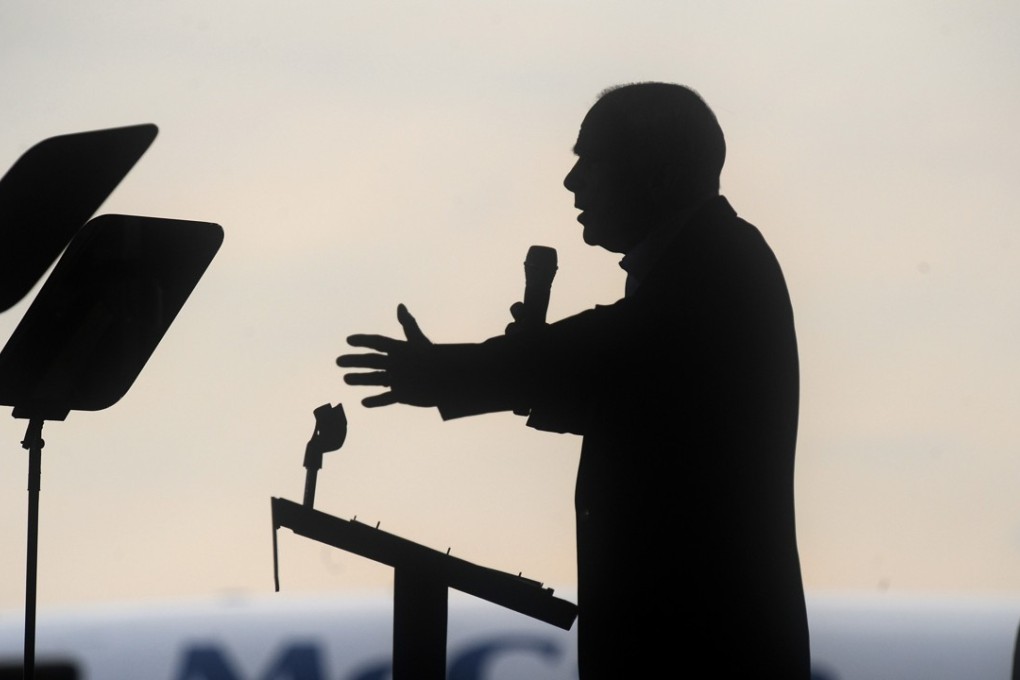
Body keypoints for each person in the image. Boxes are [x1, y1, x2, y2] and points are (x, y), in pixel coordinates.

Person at [338, 82, 810, 678]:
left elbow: (606, 353)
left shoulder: (713, 270)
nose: (573, 182)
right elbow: (622, 391)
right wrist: (504, 369)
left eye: (592, 159)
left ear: (656, 171)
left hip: (698, 649)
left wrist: (446, 373)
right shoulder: (712, 262)